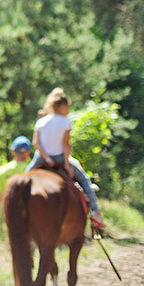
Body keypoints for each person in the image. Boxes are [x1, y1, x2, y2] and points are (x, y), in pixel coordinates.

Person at [25, 87, 106, 229]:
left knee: (23, 180)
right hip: (60, 158)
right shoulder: (65, 122)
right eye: (67, 107)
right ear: (62, 106)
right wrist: (67, 164)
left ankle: (20, 210)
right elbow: (65, 144)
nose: (67, 110)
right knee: (84, 179)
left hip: (41, 159)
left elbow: (36, 143)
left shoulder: (41, 122)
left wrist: (46, 158)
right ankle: (95, 212)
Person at [0, 135, 31, 239]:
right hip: (31, 217)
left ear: (13, 151)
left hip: (11, 217)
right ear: (28, 152)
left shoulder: (2, 171)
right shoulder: (32, 170)